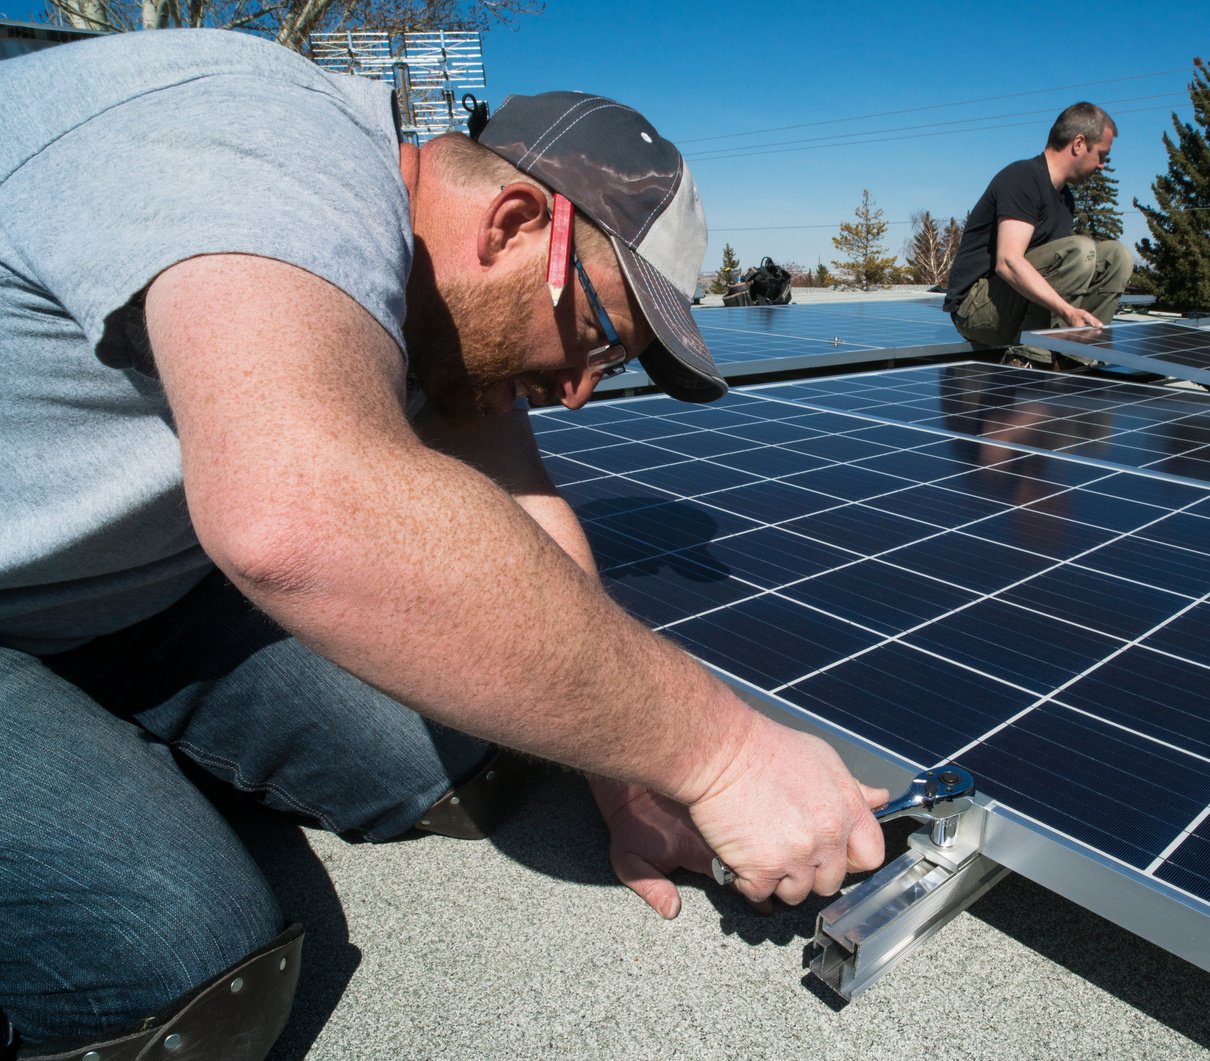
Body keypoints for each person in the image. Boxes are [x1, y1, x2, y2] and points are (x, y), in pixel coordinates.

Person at [0, 28, 886, 1060]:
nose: (577, 393)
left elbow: (524, 505)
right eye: (597, 337)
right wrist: (723, 752)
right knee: (186, 979)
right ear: (513, 225)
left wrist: (627, 771)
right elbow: (298, 518)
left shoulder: (438, 305)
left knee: (471, 760)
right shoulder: (265, 146)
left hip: (122, 591)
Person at [942, 101, 1132, 368]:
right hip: (975, 310)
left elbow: (1060, 274)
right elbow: (1008, 262)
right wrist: (1067, 311)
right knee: (1079, 250)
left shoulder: (1066, 200)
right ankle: (1028, 361)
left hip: (1016, 308)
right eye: (1102, 155)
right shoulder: (1023, 177)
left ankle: (1074, 357)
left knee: (1116, 256)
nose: (1102, 165)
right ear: (1078, 143)